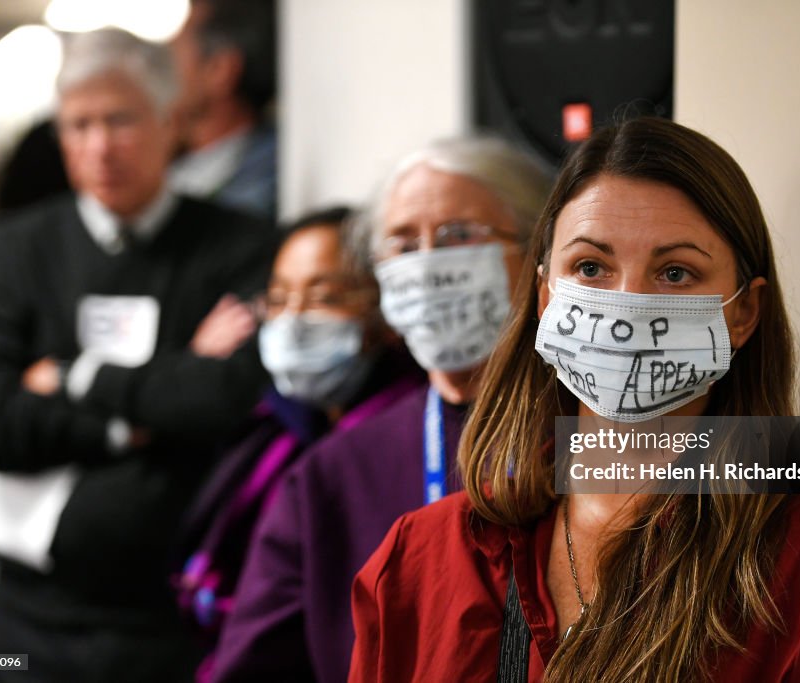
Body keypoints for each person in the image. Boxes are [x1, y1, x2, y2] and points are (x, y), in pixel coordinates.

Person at [349, 118, 800, 682]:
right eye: (590, 267)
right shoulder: (418, 560)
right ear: (544, 297)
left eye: (675, 272)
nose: (628, 306)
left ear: (743, 313)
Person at [0, 29, 276, 682]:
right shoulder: (7, 251)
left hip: (178, 627)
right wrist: (144, 411)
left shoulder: (242, 247)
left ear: (169, 121)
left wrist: (70, 376)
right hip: (23, 632)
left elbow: (226, 400)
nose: (99, 145)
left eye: (120, 119)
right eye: (79, 124)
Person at [210, 136, 551, 682]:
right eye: (402, 244)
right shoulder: (334, 473)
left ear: (540, 252)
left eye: (458, 235)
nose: (428, 266)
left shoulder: (601, 433)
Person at [171, 207, 423, 681]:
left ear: (383, 310)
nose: (293, 320)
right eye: (279, 298)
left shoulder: (406, 441)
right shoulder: (272, 428)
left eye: (324, 297)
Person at [170, 0, 277, 219]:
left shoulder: (266, 182)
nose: (158, 75)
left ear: (220, 70)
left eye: (173, 56)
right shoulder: (164, 164)